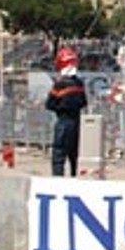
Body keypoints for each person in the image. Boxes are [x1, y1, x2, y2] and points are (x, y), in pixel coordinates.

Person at [44, 45, 88, 176]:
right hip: (77, 122)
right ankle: (75, 178)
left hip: (63, 121)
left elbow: (49, 104)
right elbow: (84, 102)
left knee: (59, 154)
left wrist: (60, 107)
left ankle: (59, 182)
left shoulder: (59, 84)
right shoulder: (79, 84)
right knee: (75, 155)